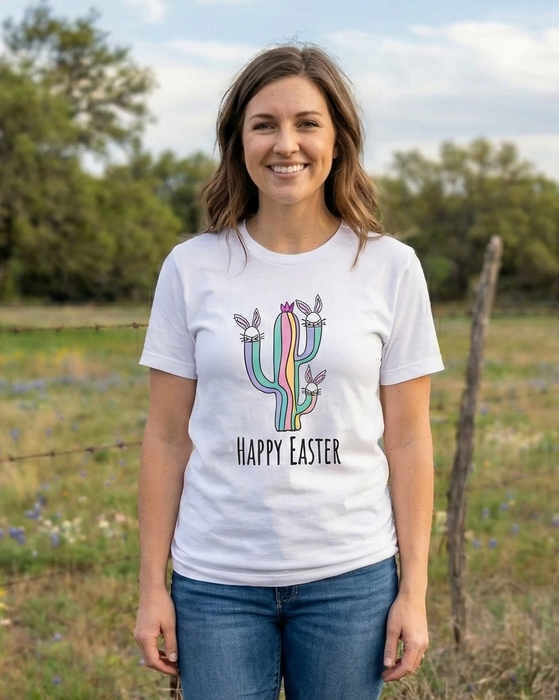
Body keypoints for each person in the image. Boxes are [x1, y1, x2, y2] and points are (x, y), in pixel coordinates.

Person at [133, 44, 444, 700]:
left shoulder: (390, 268)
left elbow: (410, 439)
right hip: (216, 582)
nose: (286, 144)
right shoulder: (192, 267)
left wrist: (412, 592)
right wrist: (150, 588)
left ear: (338, 139)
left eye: (307, 123)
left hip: (351, 579)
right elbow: (166, 437)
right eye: (264, 124)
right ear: (238, 141)